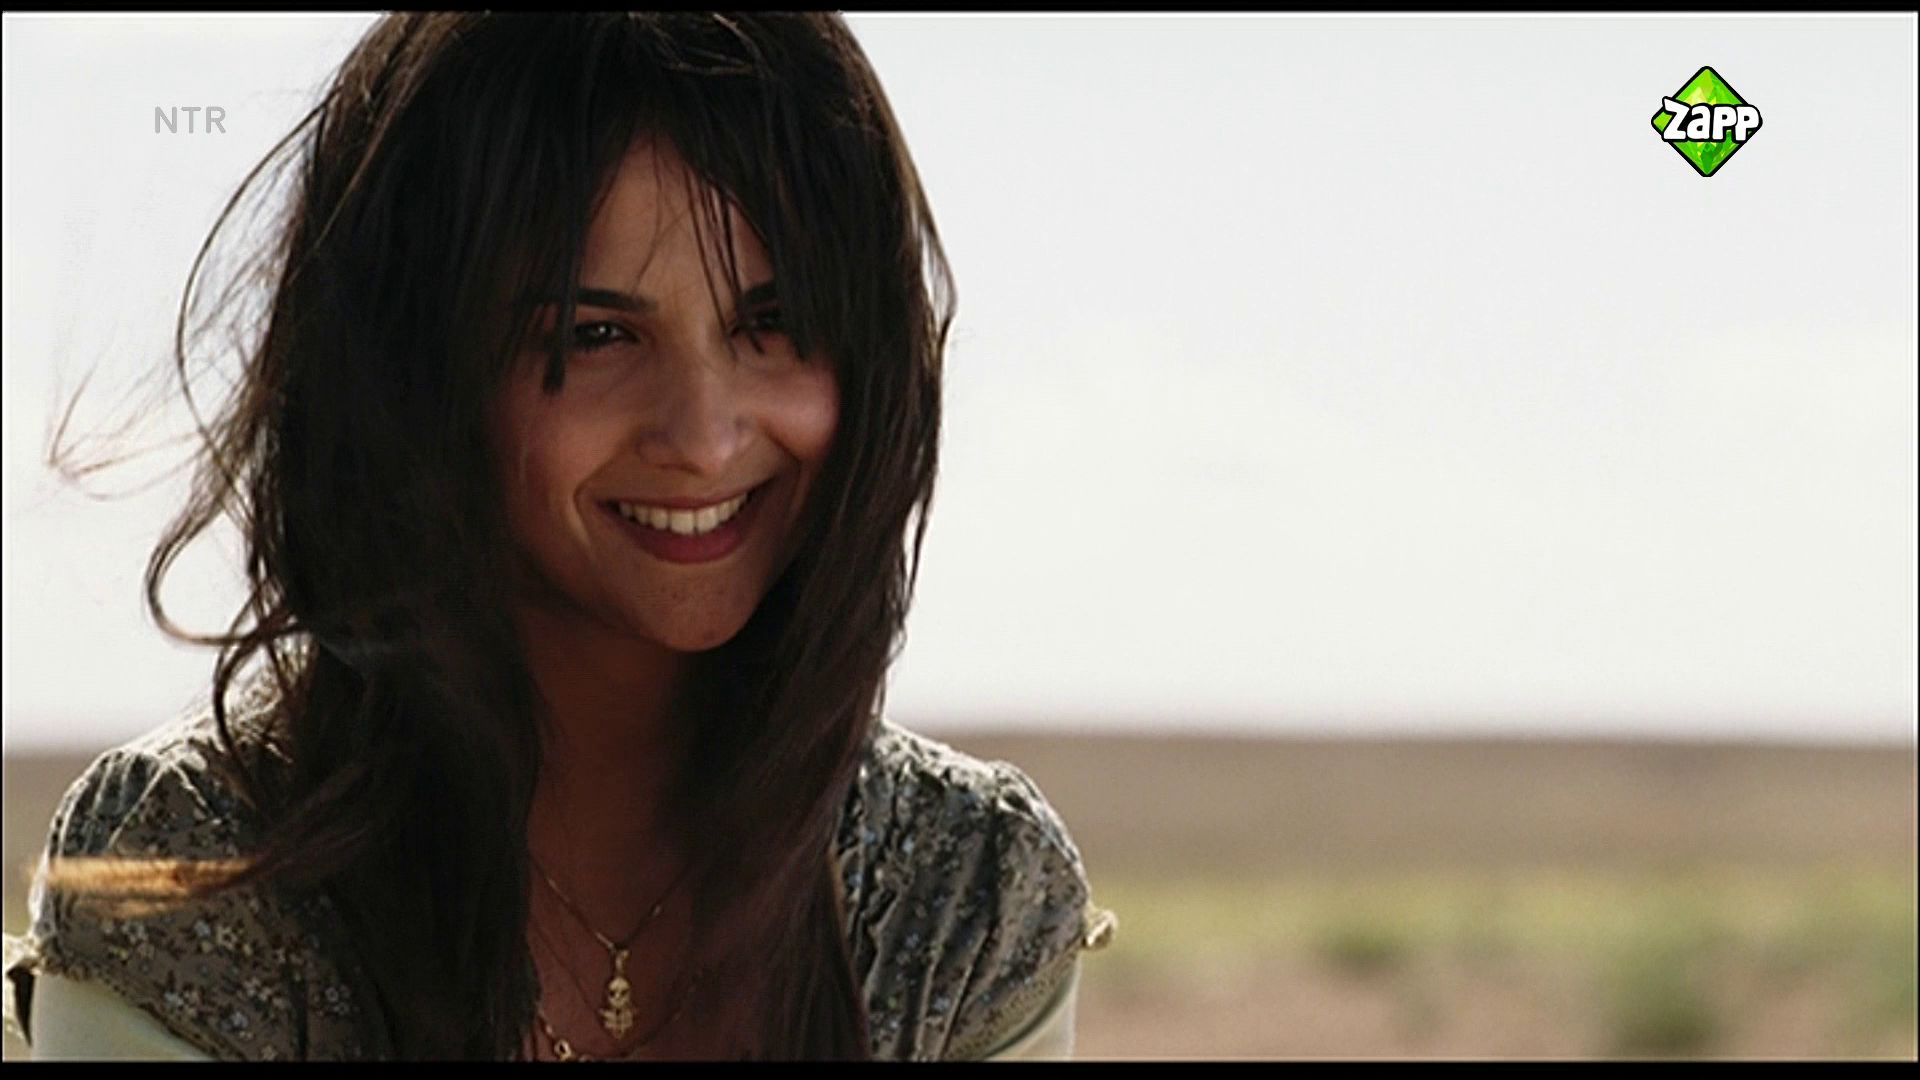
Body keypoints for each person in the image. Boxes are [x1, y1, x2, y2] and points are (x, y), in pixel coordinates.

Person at [0, 12, 1115, 1061]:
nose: (704, 437)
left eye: (774, 324)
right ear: (416, 376)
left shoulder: (965, 890)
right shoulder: (191, 876)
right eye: (595, 335)